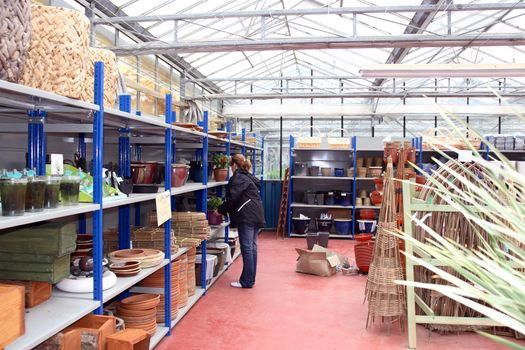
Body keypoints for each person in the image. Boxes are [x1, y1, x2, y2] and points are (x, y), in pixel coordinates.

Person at [218, 153, 265, 288]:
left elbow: (233, 199)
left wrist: (220, 209)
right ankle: (250, 279)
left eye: (230, 166)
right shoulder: (248, 177)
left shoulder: (238, 178)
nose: (230, 170)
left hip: (247, 215)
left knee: (247, 248)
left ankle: (247, 281)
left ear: (234, 165)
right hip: (256, 213)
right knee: (252, 247)